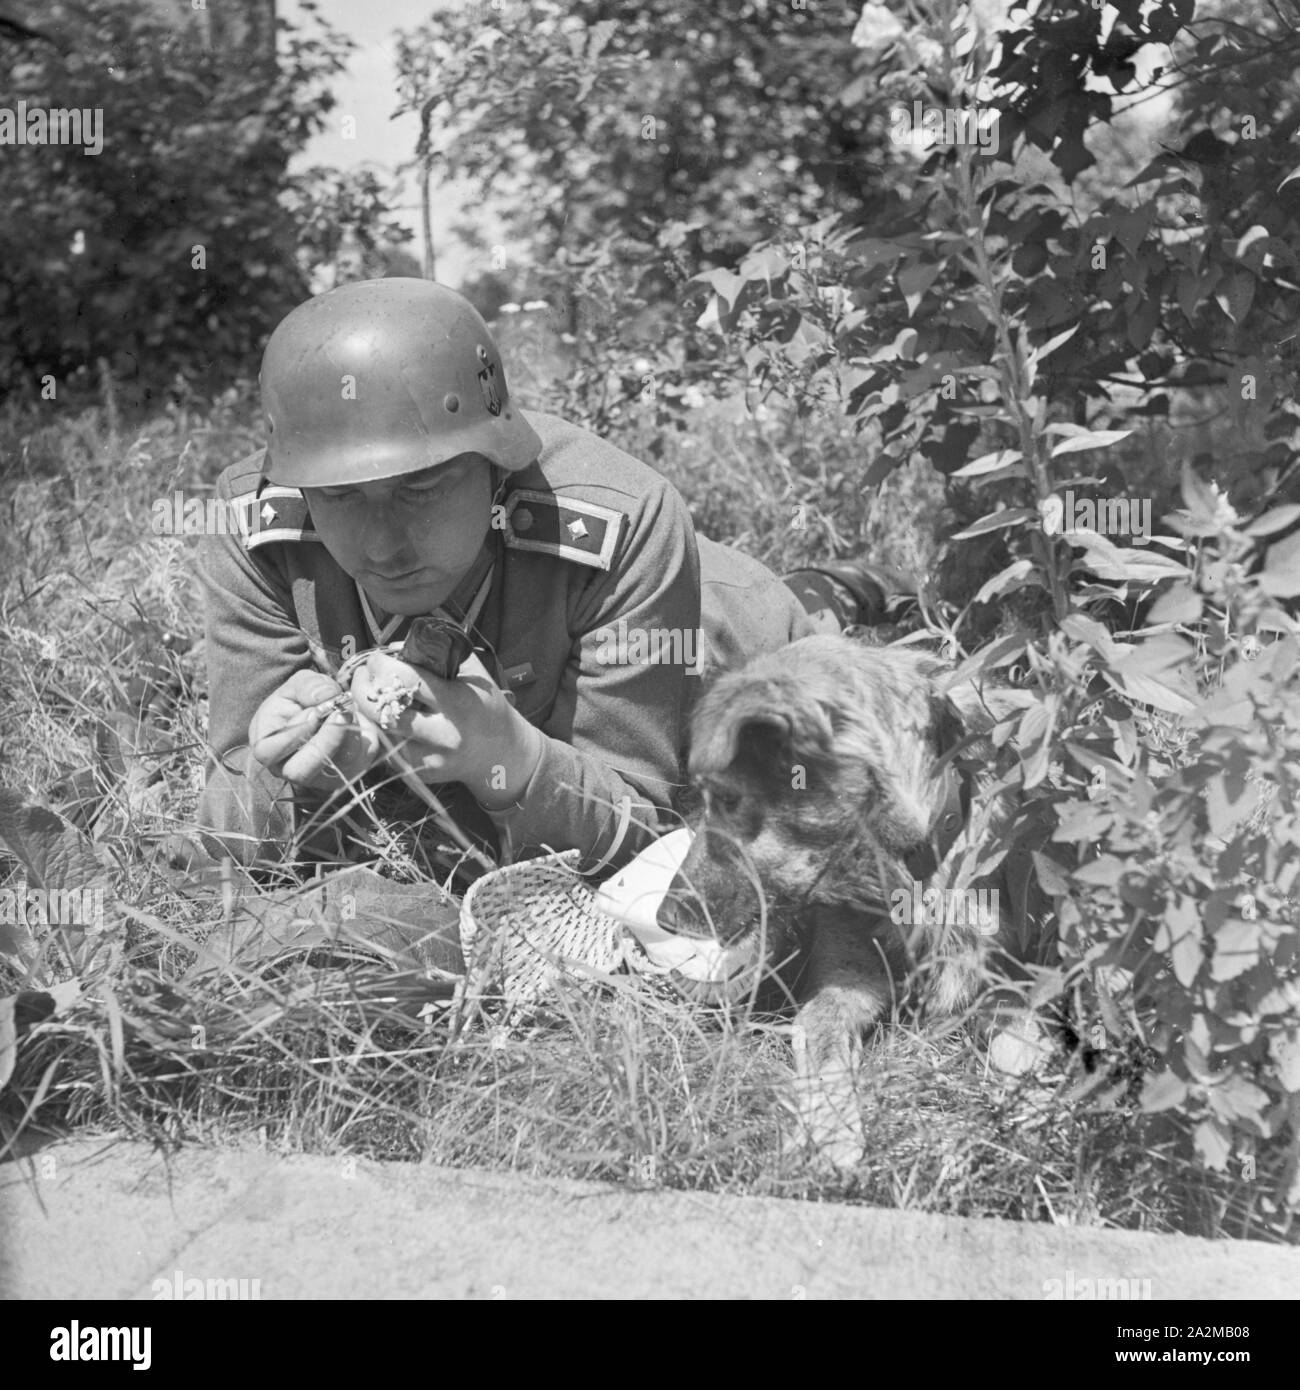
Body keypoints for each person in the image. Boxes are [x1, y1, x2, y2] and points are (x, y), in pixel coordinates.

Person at [196, 278, 907, 886]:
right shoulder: (258, 531)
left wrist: (510, 757)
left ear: (496, 463)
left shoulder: (624, 523)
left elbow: (646, 827)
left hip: (721, 620)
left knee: (793, 632)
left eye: (421, 489)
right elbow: (223, 826)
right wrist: (295, 773)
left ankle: (835, 588)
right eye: (344, 499)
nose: (382, 544)